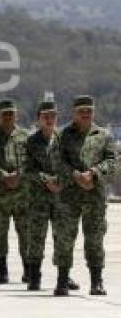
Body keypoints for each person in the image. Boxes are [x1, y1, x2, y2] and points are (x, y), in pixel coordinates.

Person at [54, 95, 118, 296]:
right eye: (81, 111)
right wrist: (75, 175)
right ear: (74, 113)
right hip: (69, 195)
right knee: (65, 237)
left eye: (89, 110)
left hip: (94, 194)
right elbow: (56, 160)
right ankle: (62, 281)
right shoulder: (63, 135)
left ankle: (96, 281)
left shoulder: (103, 135)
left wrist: (93, 173)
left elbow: (112, 161)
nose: (85, 114)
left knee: (95, 238)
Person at [23, 98, 79, 292]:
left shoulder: (64, 139)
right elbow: (26, 169)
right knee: (36, 237)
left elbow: (72, 164)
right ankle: (34, 276)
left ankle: (64, 275)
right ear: (38, 118)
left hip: (61, 197)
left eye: (53, 116)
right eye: (45, 116)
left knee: (62, 237)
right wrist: (47, 179)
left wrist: (61, 182)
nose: (49, 119)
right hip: (38, 197)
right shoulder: (30, 141)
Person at [0, 99, 30, 284]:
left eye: (11, 113)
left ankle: (28, 269)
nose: (8, 117)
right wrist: (3, 175)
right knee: (0, 232)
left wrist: (19, 175)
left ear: (16, 115)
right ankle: (2, 270)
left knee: (25, 232)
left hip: (21, 191)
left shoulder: (26, 137)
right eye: (5, 114)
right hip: (0, 192)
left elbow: (31, 161)